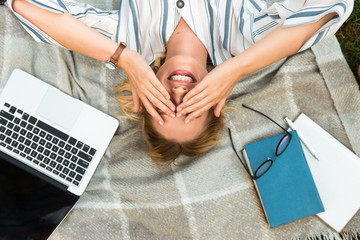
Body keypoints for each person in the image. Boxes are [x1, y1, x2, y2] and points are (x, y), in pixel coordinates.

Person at [5, 0, 353, 164]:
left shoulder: (129, 39)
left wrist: (123, 57)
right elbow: (331, 3)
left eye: (163, 105)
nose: (178, 94)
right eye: (190, 107)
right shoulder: (244, 40)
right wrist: (238, 68)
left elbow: (25, 5)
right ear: (217, 100)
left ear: (143, 96)